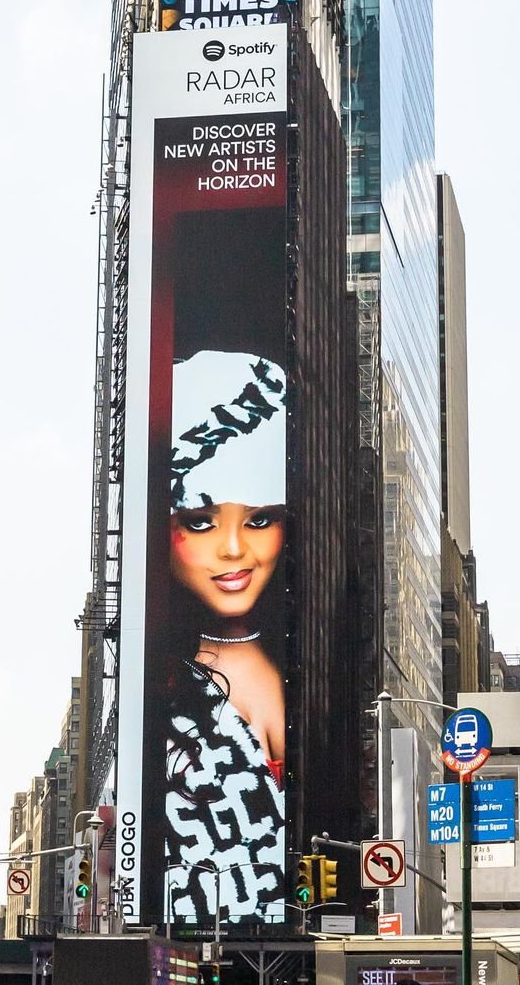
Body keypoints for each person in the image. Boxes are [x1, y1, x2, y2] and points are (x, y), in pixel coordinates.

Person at [163, 349, 287, 926]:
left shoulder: (312, 668)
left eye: (259, 519)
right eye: (200, 521)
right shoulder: (159, 692)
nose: (234, 549)